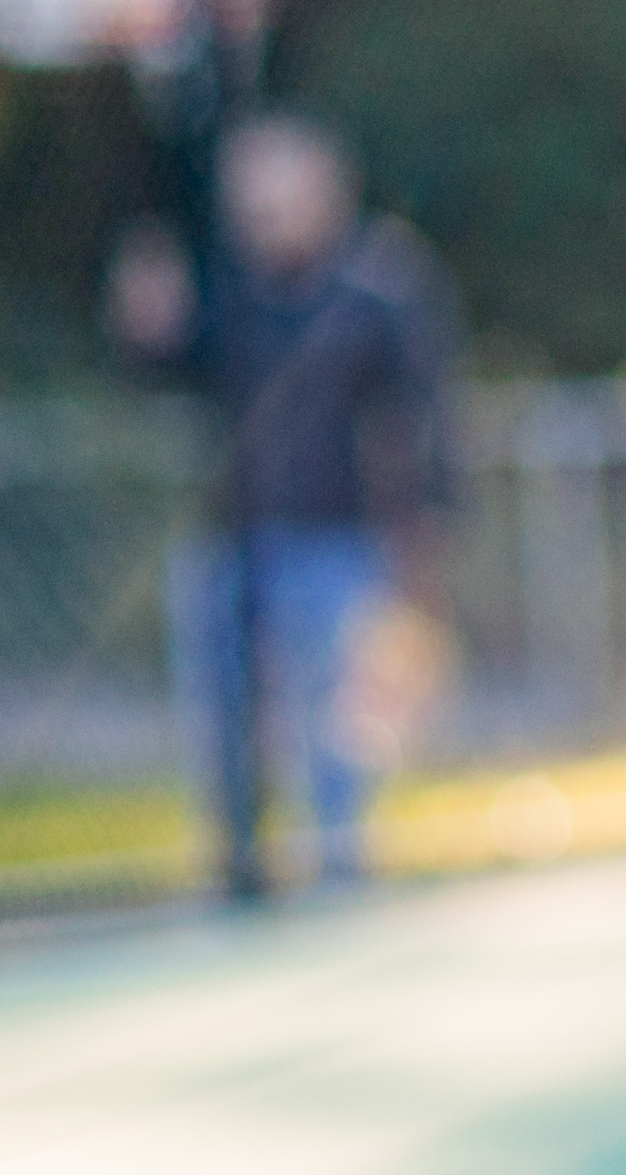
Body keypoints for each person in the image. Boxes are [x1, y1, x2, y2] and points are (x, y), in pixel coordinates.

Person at [108, 112, 462, 888]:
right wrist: (148, 326)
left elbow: (421, 414)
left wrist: (420, 538)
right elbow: (173, 365)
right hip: (233, 540)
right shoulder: (231, 291)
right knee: (225, 719)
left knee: (342, 729)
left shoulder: (379, 286)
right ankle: (237, 863)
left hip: (345, 544)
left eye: (276, 196)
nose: (260, 218)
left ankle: (343, 867)